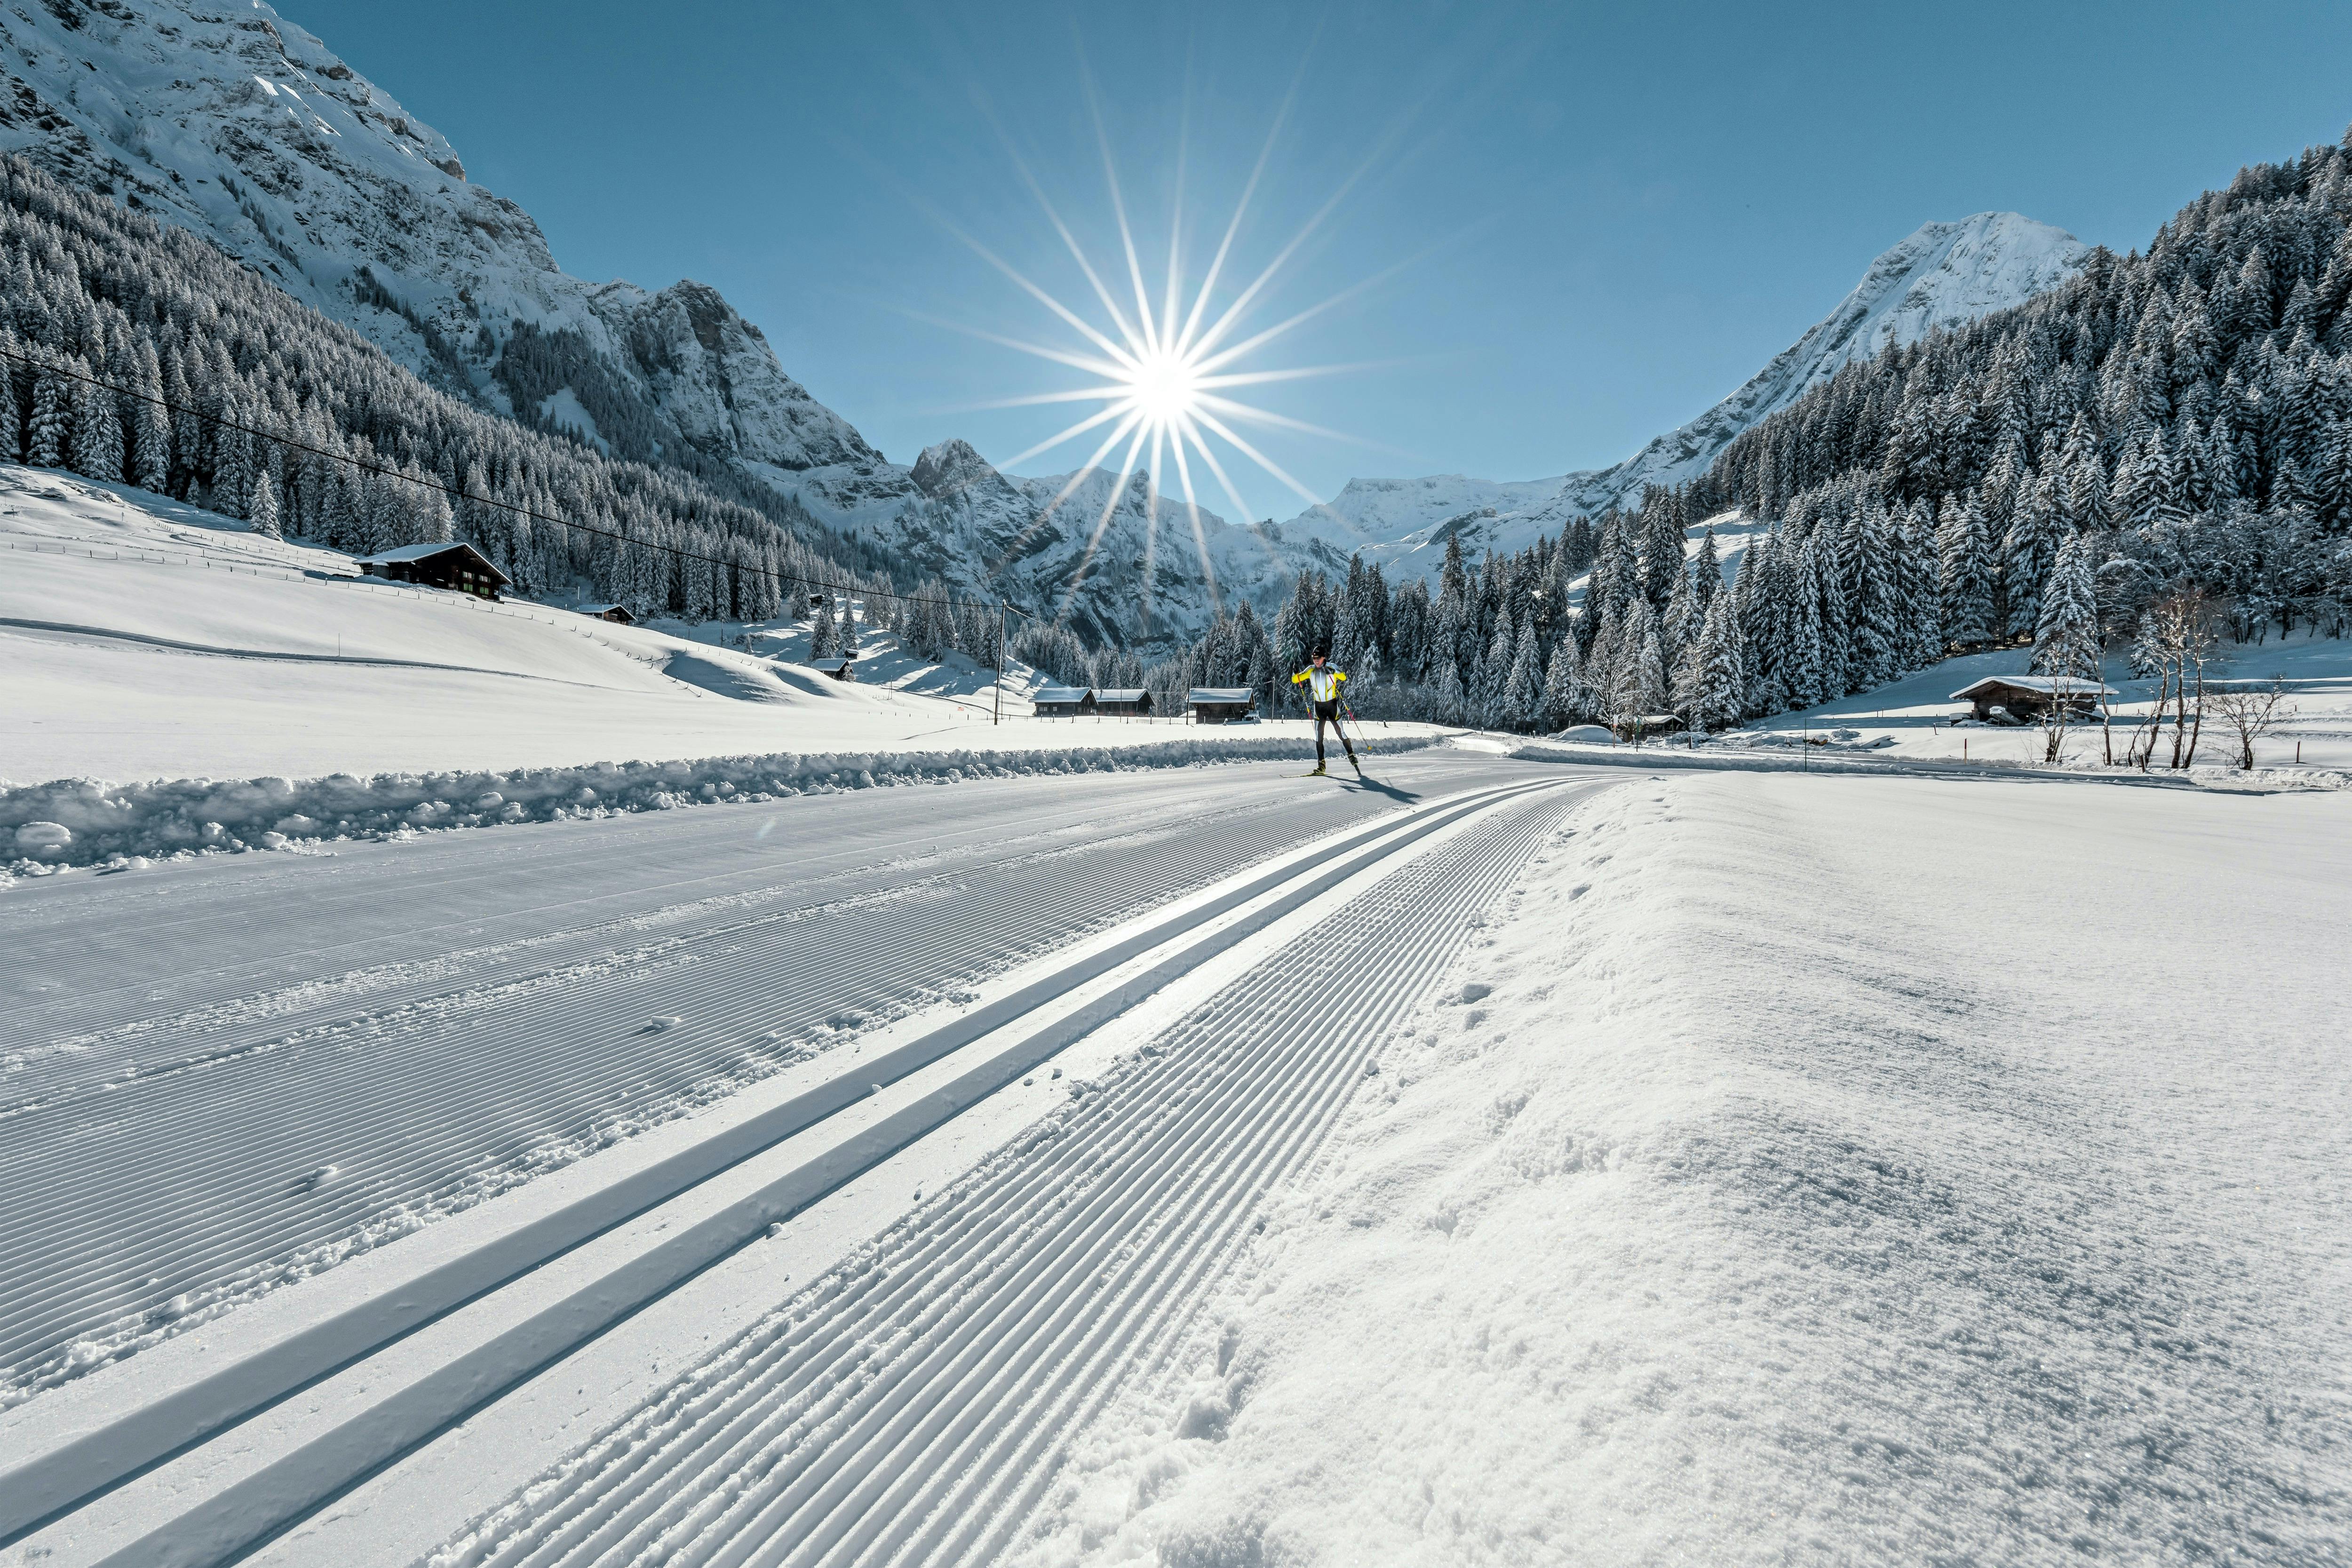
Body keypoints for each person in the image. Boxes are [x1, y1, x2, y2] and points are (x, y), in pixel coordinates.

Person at [1290, 649, 1359, 776]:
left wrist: (1335, 672)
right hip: (1319, 708)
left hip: (1332, 706)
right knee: (1319, 737)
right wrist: (1295, 672)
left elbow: (1343, 677)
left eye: (1318, 658)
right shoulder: (1311, 670)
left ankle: (1351, 754)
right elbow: (1295, 680)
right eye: (1314, 658)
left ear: (1324, 658)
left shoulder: (1332, 667)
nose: (1316, 660)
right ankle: (1321, 766)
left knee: (1341, 733)